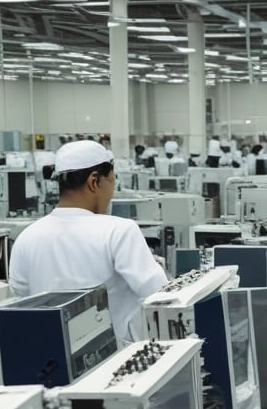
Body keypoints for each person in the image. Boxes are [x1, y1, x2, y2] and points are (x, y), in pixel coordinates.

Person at [9, 141, 168, 346]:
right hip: (117, 366)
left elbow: (20, 304)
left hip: (51, 365)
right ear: (94, 181)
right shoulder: (119, 231)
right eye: (112, 181)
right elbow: (161, 297)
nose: (112, 192)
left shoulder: (26, 238)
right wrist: (155, 267)